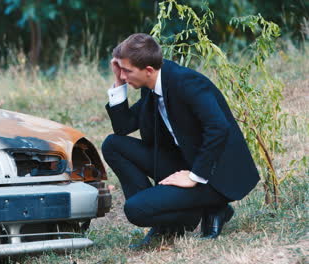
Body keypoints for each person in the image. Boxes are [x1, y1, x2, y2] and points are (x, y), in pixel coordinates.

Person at [101, 33, 259, 246]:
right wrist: (119, 81)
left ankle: (202, 209)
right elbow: (123, 127)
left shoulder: (187, 82)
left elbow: (219, 128)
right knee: (113, 145)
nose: (124, 75)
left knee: (135, 210)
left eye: (127, 71)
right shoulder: (152, 86)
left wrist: (195, 176)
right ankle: (165, 215)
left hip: (212, 175)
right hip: (183, 161)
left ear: (148, 70)